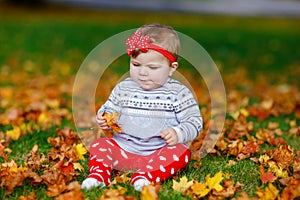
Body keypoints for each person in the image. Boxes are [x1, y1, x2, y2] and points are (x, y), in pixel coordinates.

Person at [81, 23, 203, 191]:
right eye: (136, 65)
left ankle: (146, 176)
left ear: (171, 68)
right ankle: (99, 176)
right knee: (100, 145)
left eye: (152, 67)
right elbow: (110, 108)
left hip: (158, 153)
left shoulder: (178, 93)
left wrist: (178, 133)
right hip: (124, 150)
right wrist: (104, 117)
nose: (143, 72)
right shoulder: (124, 88)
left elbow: (194, 122)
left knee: (181, 152)